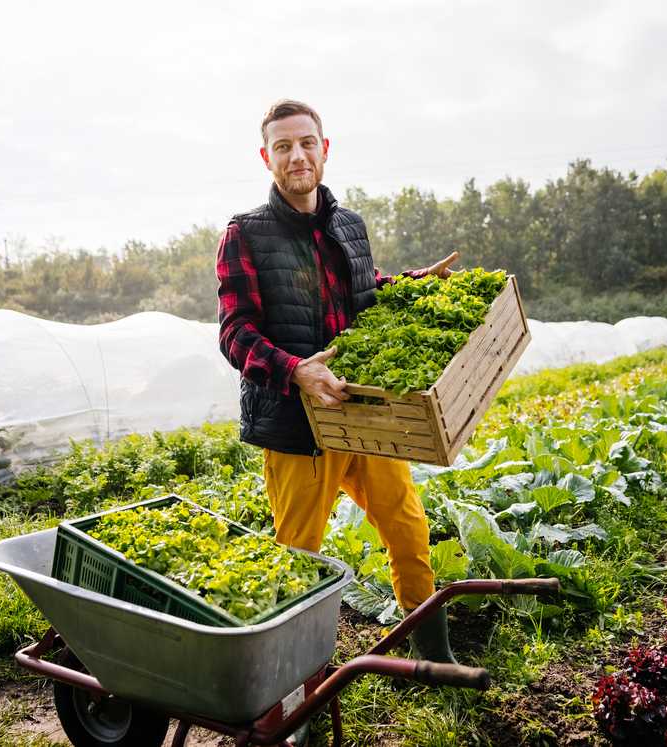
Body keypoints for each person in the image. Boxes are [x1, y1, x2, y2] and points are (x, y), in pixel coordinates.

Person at [216, 99, 460, 663]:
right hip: (298, 427)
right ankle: (292, 684)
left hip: (364, 415)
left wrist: (417, 284)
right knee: (298, 556)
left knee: (407, 527)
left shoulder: (349, 224)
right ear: (266, 158)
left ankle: (430, 657)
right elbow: (235, 333)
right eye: (283, 147)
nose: (297, 155)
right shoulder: (244, 234)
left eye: (306, 143)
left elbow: (363, 286)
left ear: (324, 150)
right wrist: (296, 370)